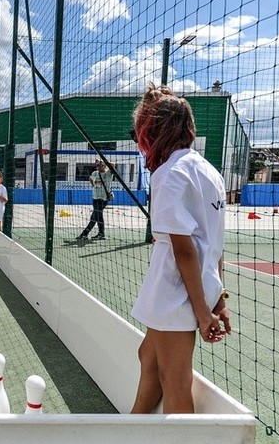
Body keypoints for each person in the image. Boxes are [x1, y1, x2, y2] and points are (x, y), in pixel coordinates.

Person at [129, 85, 231, 414]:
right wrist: (218, 299)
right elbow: (215, 243)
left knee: (175, 379)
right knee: (149, 357)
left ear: (153, 132)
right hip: (194, 290)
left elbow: (184, 251)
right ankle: (136, 425)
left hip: (175, 293)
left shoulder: (168, 174)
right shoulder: (208, 171)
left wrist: (204, 312)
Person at [76, 160, 113, 241]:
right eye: (97, 166)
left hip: (103, 199)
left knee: (94, 217)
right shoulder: (95, 173)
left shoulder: (108, 173)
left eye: (101, 165)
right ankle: (101, 234)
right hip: (95, 197)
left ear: (104, 165)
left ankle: (84, 234)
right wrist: (93, 184)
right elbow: (91, 178)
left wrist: (103, 161)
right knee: (99, 216)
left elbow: (113, 165)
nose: (99, 167)